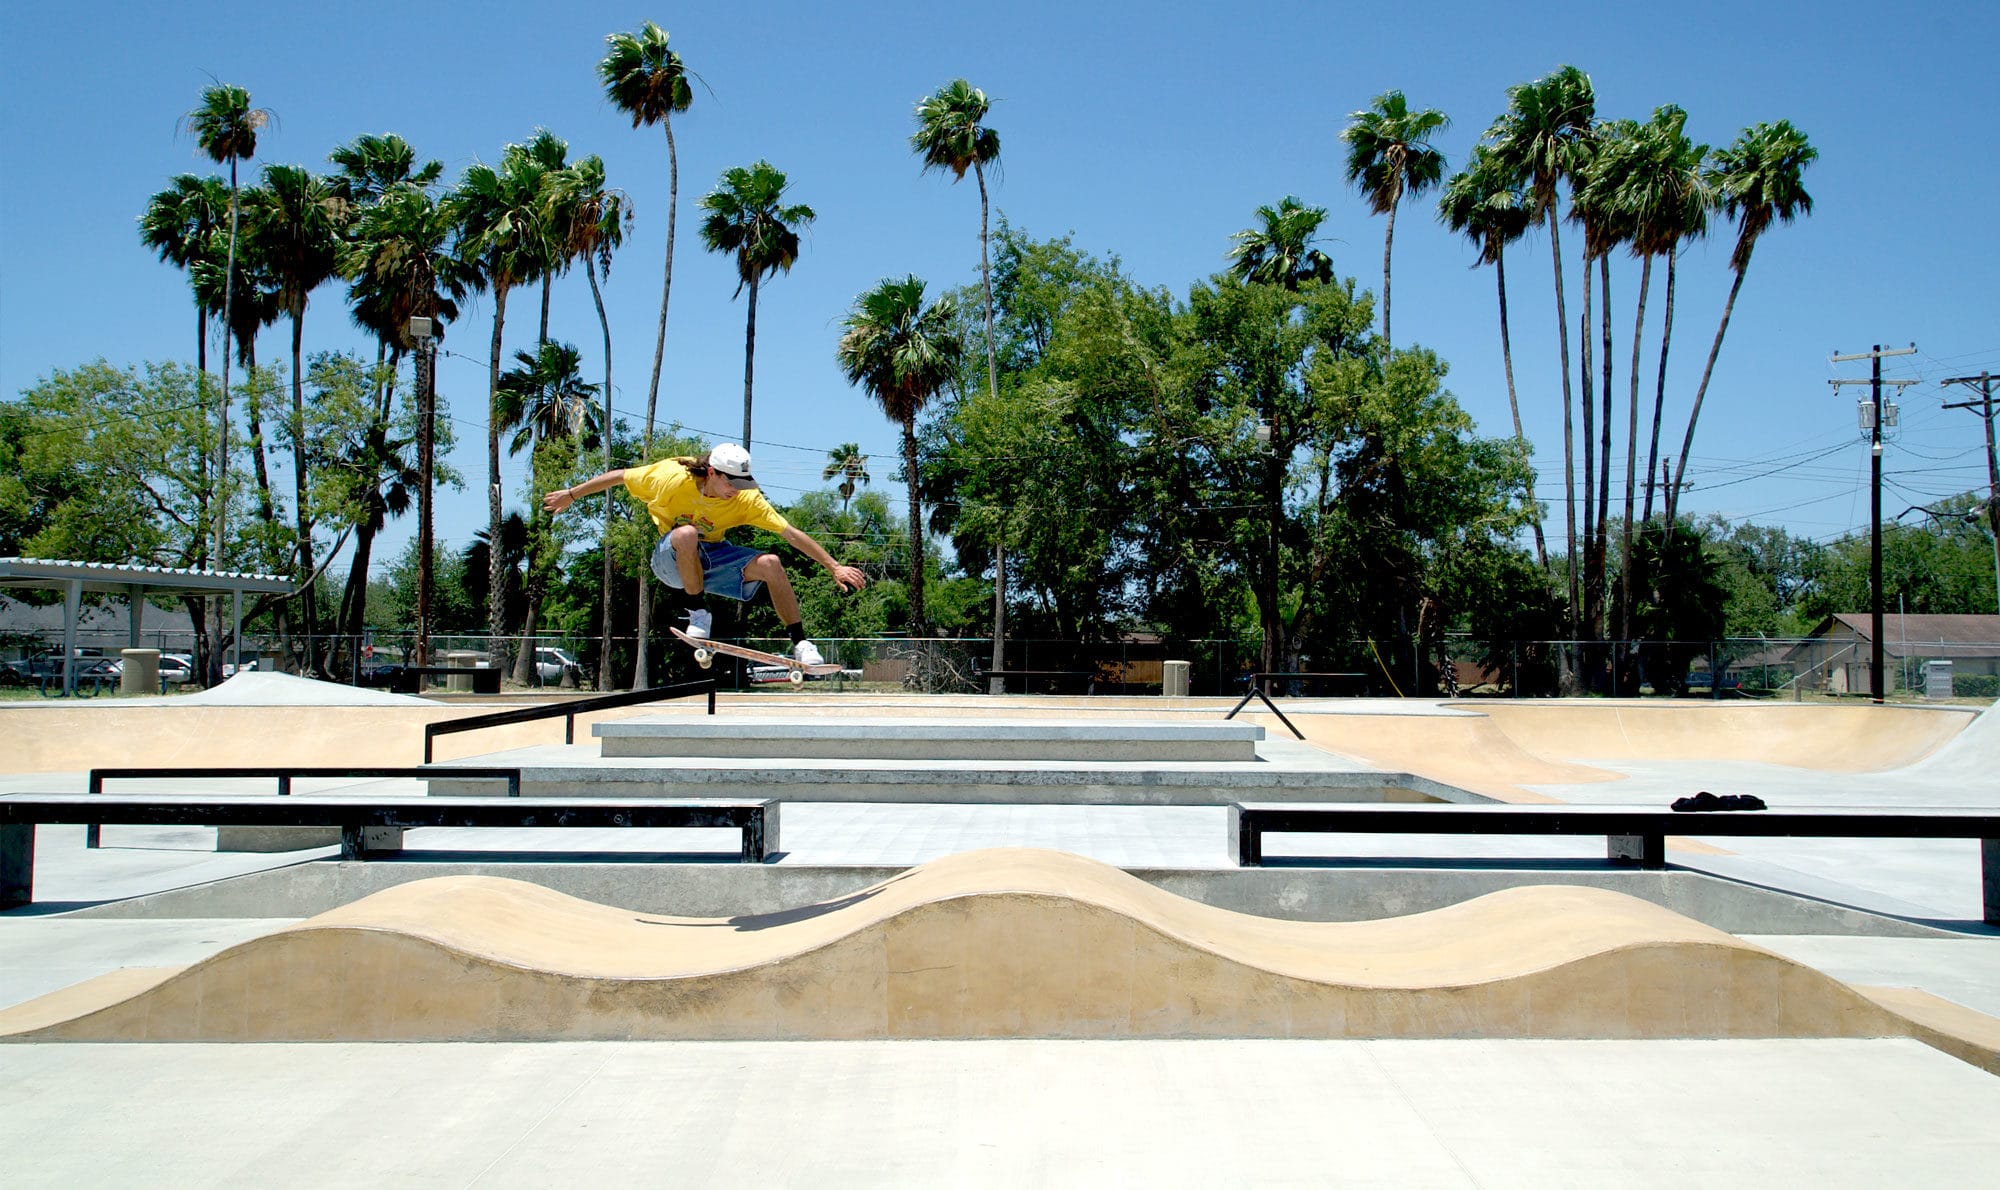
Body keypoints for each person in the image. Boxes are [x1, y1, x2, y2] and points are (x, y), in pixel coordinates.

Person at [543, 443, 864, 666]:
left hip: (713, 560)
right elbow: (621, 475)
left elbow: (790, 533)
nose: (737, 490)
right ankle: (698, 613)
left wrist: (833, 566)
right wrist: (572, 494)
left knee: (771, 563)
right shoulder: (669, 476)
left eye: (743, 482)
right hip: (670, 560)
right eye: (732, 483)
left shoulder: (747, 500)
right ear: (711, 472)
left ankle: (800, 643)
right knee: (686, 534)